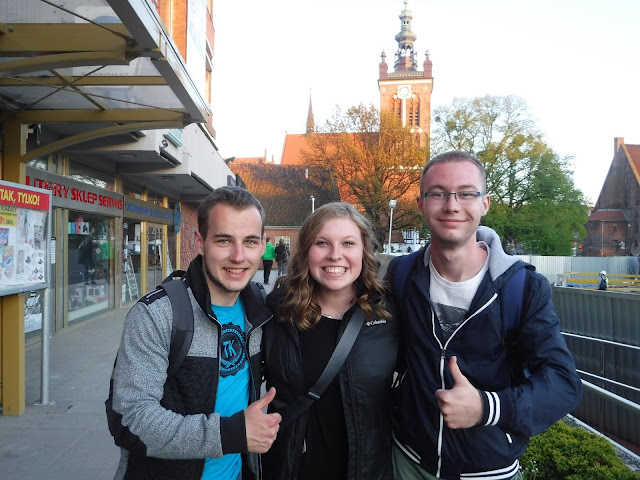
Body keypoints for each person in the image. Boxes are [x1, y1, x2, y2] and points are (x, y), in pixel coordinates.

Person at [387, 150, 583, 480]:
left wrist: (486, 407)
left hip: (487, 471)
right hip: (407, 461)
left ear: (485, 204)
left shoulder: (522, 287)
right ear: (421, 204)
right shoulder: (402, 273)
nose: (452, 205)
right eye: (438, 193)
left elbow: (563, 383)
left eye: (466, 193)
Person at [110, 186, 281, 480]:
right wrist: (230, 434)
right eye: (224, 240)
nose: (238, 256)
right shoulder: (158, 314)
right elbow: (130, 419)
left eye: (250, 241)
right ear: (199, 242)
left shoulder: (260, 307)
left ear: (262, 245)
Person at [262, 202, 398, 480]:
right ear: (306, 251)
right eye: (322, 243)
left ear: (364, 250)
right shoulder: (278, 310)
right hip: (292, 467)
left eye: (348, 243)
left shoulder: (389, 313)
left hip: (367, 470)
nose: (335, 255)